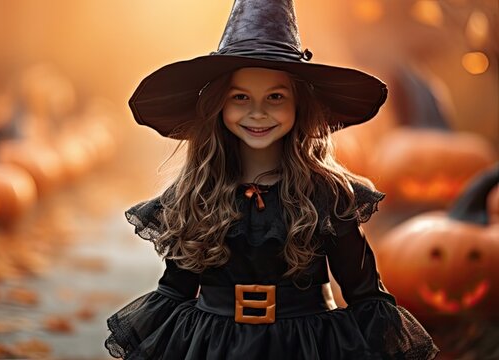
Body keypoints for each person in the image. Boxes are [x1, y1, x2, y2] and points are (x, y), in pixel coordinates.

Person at [104, 0, 440, 359]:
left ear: (300, 104)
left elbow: (364, 294)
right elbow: (176, 289)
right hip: (213, 345)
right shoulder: (196, 194)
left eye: (275, 97)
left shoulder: (330, 196)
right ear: (220, 105)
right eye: (241, 97)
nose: (258, 112)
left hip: (304, 345)